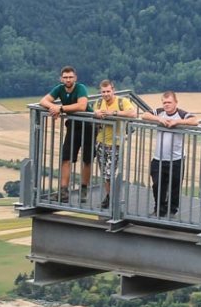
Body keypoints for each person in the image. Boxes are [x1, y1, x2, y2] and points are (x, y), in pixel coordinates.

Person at [140, 92, 198, 218]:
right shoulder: (160, 112)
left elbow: (195, 121)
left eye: (169, 102)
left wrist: (177, 122)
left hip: (176, 158)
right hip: (158, 157)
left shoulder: (181, 113)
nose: (166, 105)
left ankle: (172, 211)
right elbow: (144, 115)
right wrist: (159, 119)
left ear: (176, 102)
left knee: (174, 186)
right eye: (164, 102)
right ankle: (159, 209)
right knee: (157, 184)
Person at [38, 65, 91, 201]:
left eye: (70, 77)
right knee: (66, 158)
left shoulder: (81, 88)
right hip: (73, 125)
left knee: (87, 159)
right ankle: (63, 192)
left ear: (75, 78)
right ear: (61, 79)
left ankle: (84, 190)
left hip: (89, 125)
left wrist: (60, 108)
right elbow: (43, 101)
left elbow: (82, 106)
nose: (68, 80)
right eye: (65, 77)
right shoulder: (59, 89)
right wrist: (53, 108)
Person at [90, 79, 137, 209]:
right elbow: (92, 115)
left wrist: (113, 113)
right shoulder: (99, 103)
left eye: (108, 91)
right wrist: (96, 114)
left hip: (115, 144)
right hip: (100, 142)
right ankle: (110, 197)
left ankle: (111, 198)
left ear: (113, 90)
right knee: (104, 174)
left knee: (109, 173)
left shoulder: (122, 102)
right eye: (103, 92)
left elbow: (133, 113)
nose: (106, 94)